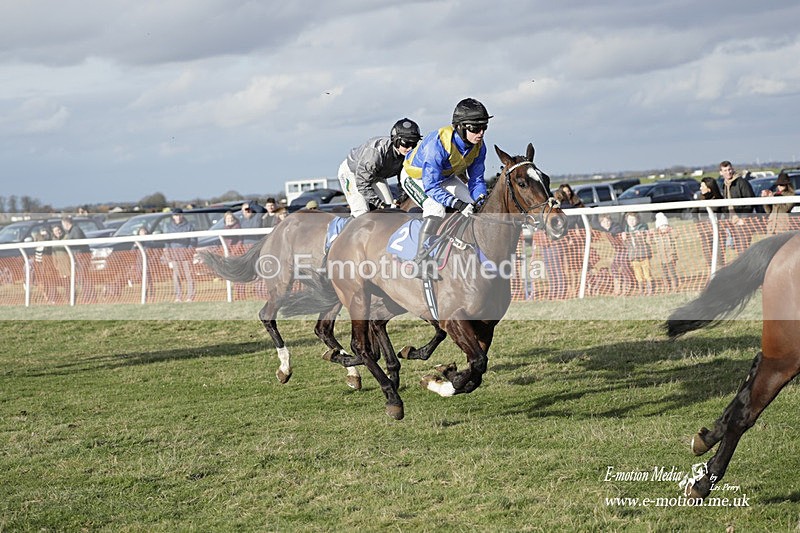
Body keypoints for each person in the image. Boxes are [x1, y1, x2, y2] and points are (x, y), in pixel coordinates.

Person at [401, 98, 491, 270]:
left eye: (484, 127)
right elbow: (431, 187)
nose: (481, 133)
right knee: (436, 208)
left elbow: (476, 180)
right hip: (416, 177)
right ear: (460, 127)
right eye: (475, 128)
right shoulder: (438, 145)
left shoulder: (479, 146)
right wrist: (457, 203)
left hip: (444, 176)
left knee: (474, 207)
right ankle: (420, 258)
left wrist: (480, 198)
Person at [338, 118, 422, 217]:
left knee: (391, 211)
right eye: (406, 144)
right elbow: (362, 184)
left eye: (414, 143)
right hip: (352, 173)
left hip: (376, 175)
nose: (410, 148)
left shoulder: (407, 155)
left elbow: (403, 180)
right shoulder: (375, 153)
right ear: (395, 140)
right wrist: (380, 205)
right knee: (361, 211)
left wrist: (401, 198)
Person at [720, 160, 755, 254]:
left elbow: (750, 201)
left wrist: (743, 218)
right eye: (725, 170)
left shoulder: (742, 182)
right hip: (731, 222)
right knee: (737, 249)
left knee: (743, 249)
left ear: (733, 169)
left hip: (742, 221)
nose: (728, 172)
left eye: (729, 169)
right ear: (721, 173)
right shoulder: (724, 185)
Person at [164, 208, 197, 302]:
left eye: (179, 215)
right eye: (175, 215)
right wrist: (168, 254)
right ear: (173, 216)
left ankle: (190, 296)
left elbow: (193, 240)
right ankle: (178, 297)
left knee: (189, 276)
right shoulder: (169, 227)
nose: (177, 217)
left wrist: (189, 252)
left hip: (186, 256)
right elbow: (167, 242)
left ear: (182, 215)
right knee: (176, 277)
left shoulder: (189, 226)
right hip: (174, 256)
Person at [61, 215, 95, 303]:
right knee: (82, 277)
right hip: (78, 257)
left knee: (84, 277)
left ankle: (89, 297)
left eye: (63, 224)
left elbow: (78, 242)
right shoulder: (71, 231)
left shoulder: (75, 230)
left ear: (66, 223)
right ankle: (87, 296)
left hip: (81, 257)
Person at [597, 213, 633, 296]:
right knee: (614, 268)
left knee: (624, 267)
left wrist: (610, 233)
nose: (606, 223)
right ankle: (618, 286)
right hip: (618, 252)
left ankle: (628, 285)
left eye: (608, 221)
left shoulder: (616, 227)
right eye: (604, 222)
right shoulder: (604, 230)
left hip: (625, 250)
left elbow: (616, 230)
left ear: (611, 221)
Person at [695, 176, 726, 268]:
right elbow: (694, 212)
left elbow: (724, 215)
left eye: (702, 186)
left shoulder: (719, 200)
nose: (700, 188)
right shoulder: (700, 199)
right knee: (708, 257)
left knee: (719, 257)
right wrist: (698, 225)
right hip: (705, 233)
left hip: (717, 232)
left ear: (709, 188)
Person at [621, 212, 653, 295]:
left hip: (643, 255)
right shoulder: (626, 230)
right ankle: (641, 289)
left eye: (633, 219)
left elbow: (645, 236)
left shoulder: (642, 227)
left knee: (647, 273)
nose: (631, 221)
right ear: (626, 220)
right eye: (629, 219)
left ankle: (650, 289)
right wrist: (624, 239)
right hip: (633, 256)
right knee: (638, 274)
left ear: (637, 220)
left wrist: (641, 234)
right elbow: (627, 245)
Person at [652, 212, 679, 292]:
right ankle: (667, 286)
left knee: (672, 272)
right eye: (661, 226)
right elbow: (649, 241)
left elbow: (676, 235)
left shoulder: (670, 234)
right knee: (664, 273)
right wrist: (649, 235)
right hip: (662, 258)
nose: (663, 227)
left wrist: (671, 230)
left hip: (671, 256)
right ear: (658, 227)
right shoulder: (657, 236)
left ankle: (674, 285)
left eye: (665, 225)